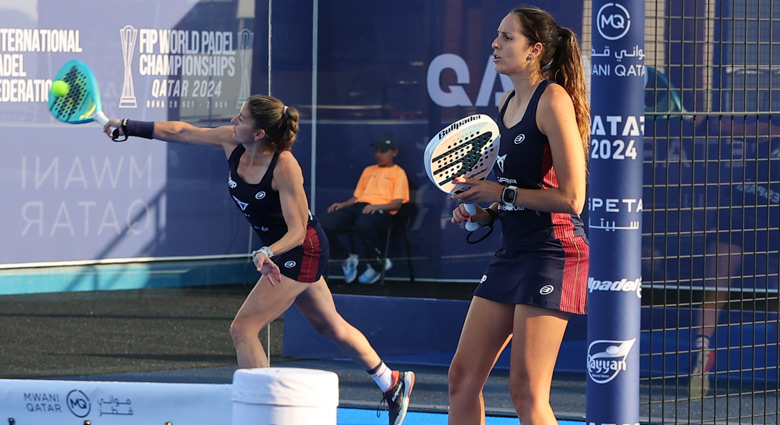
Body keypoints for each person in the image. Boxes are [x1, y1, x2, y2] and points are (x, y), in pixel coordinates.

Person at [102, 94, 414, 425]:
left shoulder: (285, 167)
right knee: (330, 325)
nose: (234, 121)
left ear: (260, 133)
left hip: (300, 249)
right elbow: (181, 131)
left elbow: (296, 230)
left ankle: (263, 413)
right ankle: (391, 383)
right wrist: (128, 126)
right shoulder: (231, 140)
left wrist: (268, 252)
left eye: (242, 119)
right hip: (278, 249)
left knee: (244, 328)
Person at [447, 7, 590, 424]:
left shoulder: (553, 99)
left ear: (534, 51)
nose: (495, 43)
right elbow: (516, 193)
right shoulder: (505, 102)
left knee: (526, 391)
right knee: (461, 379)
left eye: (507, 37)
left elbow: (571, 198)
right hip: (514, 250)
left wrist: (500, 191)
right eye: (497, 35)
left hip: (554, 252)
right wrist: (485, 211)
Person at [689, 120, 780, 399]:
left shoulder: (772, 129)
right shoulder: (773, 128)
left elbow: (733, 128)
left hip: (743, 207)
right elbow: (737, 128)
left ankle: (701, 347)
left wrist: (706, 121)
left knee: (716, 286)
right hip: (764, 214)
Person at [319, 134, 410, 284]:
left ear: (394, 152)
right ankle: (345, 258)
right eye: (377, 151)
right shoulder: (368, 170)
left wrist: (376, 206)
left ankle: (376, 263)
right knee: (323, 223)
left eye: (383, 151)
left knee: (364, 223)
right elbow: (357, 197)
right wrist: (343, 204)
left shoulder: (398, 173)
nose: (379, 155)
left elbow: (397, 204)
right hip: (360, 207)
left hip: (382, 210)